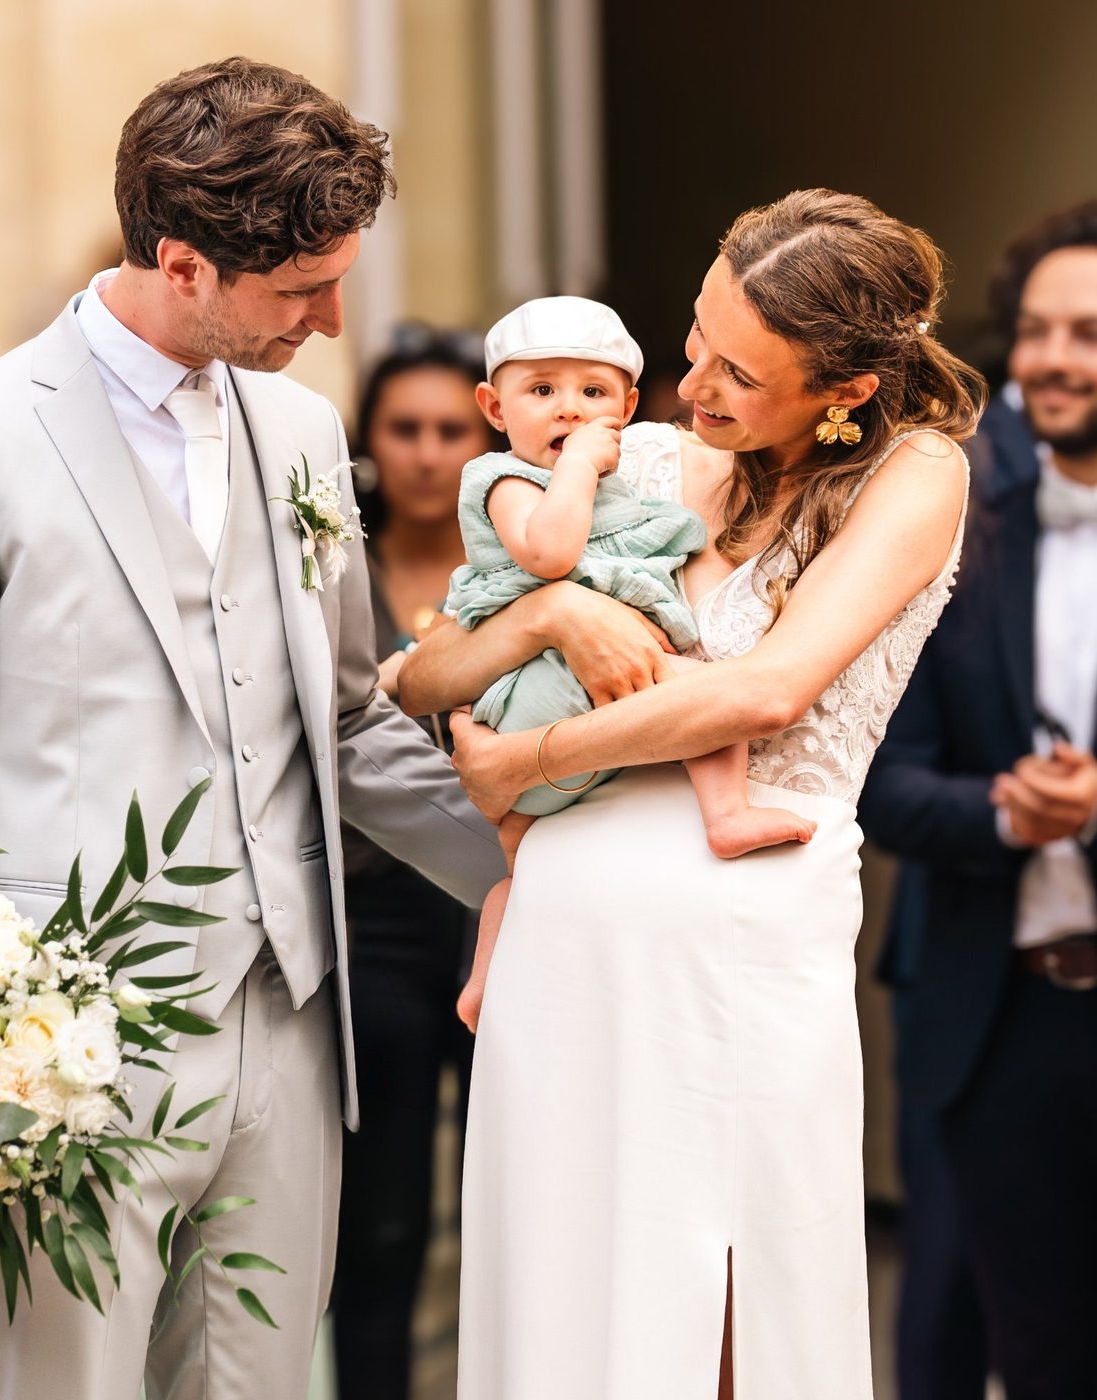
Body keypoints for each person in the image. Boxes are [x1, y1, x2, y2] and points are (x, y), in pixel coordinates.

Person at [0, 58, 505, 1400]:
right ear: (184, 260)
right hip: (66, 1051)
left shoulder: (311, 430)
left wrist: (534, 862)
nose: (331, 320)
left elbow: (349, 719)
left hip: (297, 1035)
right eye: (302, 290)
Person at [399, 189, 980, 1398]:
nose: (692, 383)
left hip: (736, 939)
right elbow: (429, 667)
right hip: (561, 934)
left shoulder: (913, 472)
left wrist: (529, 761)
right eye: (695, 342)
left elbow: (764, 689)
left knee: (722, 1295)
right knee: (556, 1292)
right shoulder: (640, 459)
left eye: (738, 373)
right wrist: (555, 609)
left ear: (843, 392)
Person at [859, 200, 1097, 1400]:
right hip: (999, 1020)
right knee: (1021, 1349)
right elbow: (884, 787)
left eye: (1087, 333)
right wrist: (1005, 813)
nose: (1053, 358)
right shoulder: (954, 538)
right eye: (1038, 330)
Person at [449, 296, 815, 1031]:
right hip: (546, 683)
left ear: (629, 406)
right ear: (494, 406)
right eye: (541, 391)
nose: (568, 412)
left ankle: (487, 970)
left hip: (579, 714)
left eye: (593, 394)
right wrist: (582, 466)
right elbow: (549, 555)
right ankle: (727, 811)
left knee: (521, 857)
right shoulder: (507, 481)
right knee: (709, 696)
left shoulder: (620, 487)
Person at [331, 328, 495, 1400]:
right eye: (404, 428)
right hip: (375, 914)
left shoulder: (527, 561)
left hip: (504, 908)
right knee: (378, 1223)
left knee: (514, 1204)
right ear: (369, 437)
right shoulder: (329, 559)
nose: (427, 452)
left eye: (450, 428)